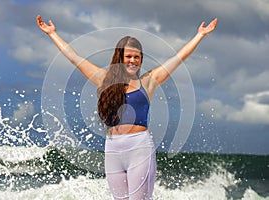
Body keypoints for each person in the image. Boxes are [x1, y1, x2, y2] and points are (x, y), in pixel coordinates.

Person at [37, 15, 217, 199]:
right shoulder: (104, 80)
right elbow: (75, 58)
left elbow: (178, 58)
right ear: (120, 57)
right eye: (128, 56)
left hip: (139, 148)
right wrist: (52, 34)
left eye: (137, 57)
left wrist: (200, 35)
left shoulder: (148, 82)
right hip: (113, 150)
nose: (132, 61)